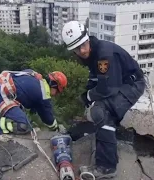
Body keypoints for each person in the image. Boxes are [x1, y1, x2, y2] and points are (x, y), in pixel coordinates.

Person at [61, 21, 146, 179]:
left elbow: (107, 89)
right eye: (77, 49)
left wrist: (88, 97)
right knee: (97, 108)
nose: (82, 51)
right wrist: (86, 96)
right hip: (118, 82)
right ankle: (104, 149)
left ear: (87, 39)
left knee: (102, 112)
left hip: (132, 84)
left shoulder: (103, 54)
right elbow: (96, 79)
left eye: (83, 45)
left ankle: (107, 168)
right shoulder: (91, 53)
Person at [0, 69, 68, 136]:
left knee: (22, 117)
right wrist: (56, 128)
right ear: (54, 85)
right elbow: (48, 118)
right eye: (58, 91)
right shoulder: (44, 93)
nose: (56, 94)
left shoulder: (35, 76)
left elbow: (25, 90)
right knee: (23, 125)